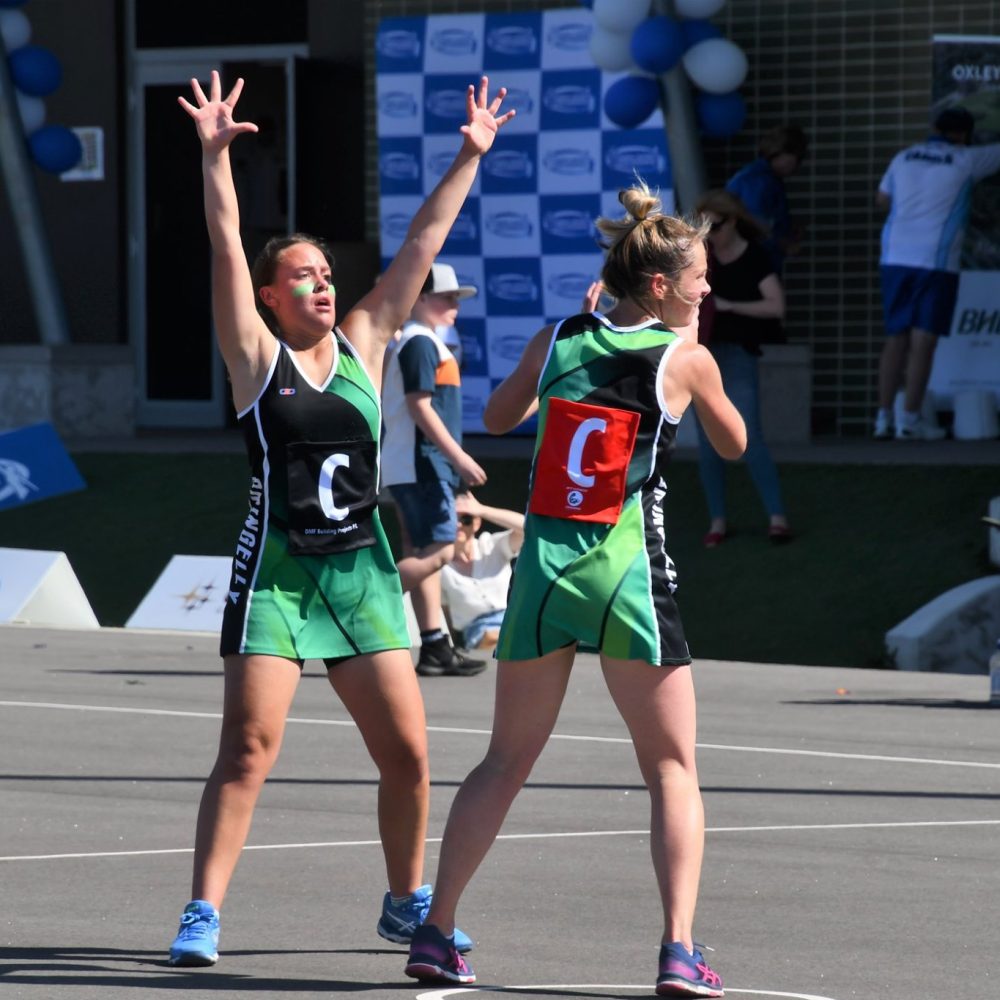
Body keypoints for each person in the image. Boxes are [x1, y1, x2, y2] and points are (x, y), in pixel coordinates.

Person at [167, 70, 513, 967]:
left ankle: (405, 903)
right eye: (302, 279)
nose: (321, 288)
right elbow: (225, 251)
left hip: (360, 568)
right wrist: (215, 160)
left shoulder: (365, 342)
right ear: (274, 298)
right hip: (278, 569)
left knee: (408, 753)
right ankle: (202, 912)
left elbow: (419, 243)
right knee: (248, 748)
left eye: (326, 275)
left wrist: (469, 157)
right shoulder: (253, 358)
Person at [402, 180, 746, 997]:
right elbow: (731, 445)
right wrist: (693, 343)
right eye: (699, 278)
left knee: (504, 760)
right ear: (661, 287)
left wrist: (573, 346)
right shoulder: (684, 356)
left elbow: (495, 416)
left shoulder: (562, 336)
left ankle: (437, 929)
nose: (709, 287)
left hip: (547, 571)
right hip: (626, 569)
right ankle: (678, 950)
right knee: (671, 767)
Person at [381, 262, 489, 677]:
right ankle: (350, 612)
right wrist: (459, 458)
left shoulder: (419, 341)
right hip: (421, 464)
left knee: (423, 551)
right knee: (443, 548)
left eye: (457, 298)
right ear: (420, 298)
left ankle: (434, 648)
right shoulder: (420, 341)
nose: (455, 305)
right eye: (447, 296)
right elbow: (419, 405)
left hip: (413, 463)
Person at [874, 105, 1000, 441]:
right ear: (963, 134)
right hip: (936, 260)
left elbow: (882, 200)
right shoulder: (967, 159)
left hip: (895, 257)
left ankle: (883, 417)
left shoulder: (904, 157)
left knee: (895, 338)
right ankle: (910, 421)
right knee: (924, 342)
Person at [693, 189, 792, 546]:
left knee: (750, 437)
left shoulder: (753, 257)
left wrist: (730, 305)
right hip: (703, 357)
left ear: (732, 221)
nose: (709, 234)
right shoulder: (701, 256)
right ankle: (717, 521)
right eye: (702, 227)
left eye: (714, 226)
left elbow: (775, 306)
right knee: (708, 446)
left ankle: (776, 516)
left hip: (737, 354)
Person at [440, 492, 524, 651]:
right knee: (501, 639)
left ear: (477, 523)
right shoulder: (440, 567)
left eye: (466, 519)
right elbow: (444, 615)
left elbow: (527, 528)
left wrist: (482, 510)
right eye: (452, 518)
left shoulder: (492, 545)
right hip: (477, 632)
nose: (458, 524)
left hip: (513, 619)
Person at [725, 124, 808, 273]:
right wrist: (783, 243)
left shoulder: (765, 178)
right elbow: (755, 222)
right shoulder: (759, 180)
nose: (796, 166)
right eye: (795, 158)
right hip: (754, 263)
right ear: (780, 152)